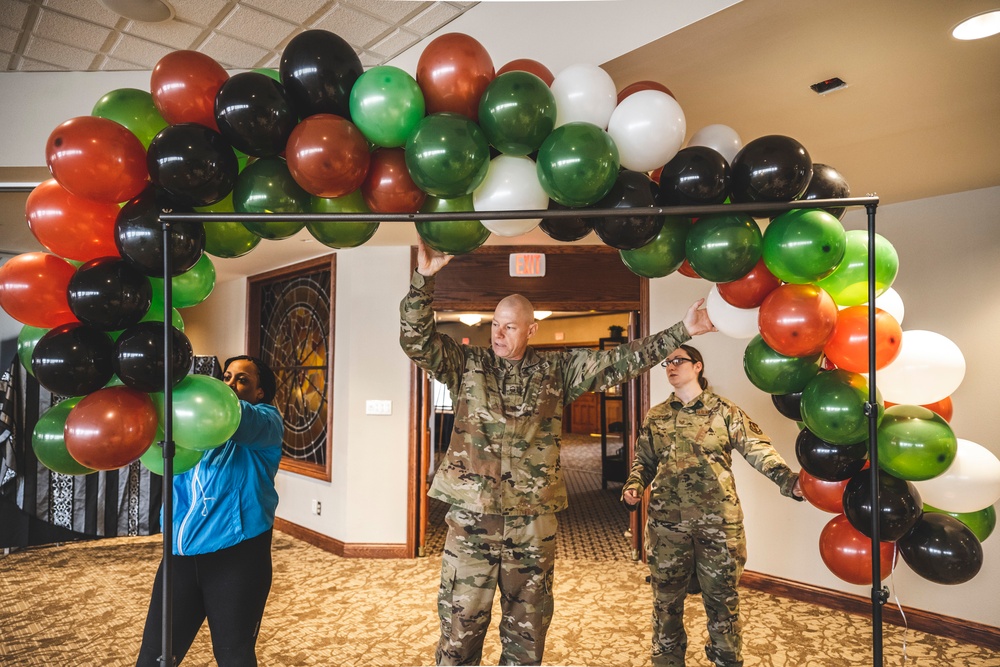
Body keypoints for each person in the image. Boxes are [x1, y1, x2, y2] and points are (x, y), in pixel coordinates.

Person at [399, 239, 717, 666]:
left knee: (526, 633)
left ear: (532, 329)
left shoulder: (557, 371)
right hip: (472, 519)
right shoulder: (467, 365)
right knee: (460, 630)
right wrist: (424, 281)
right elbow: (416, 340)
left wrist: (682, 332)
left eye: (510, 326)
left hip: (532, 522)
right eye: (495, 324)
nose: (498, 333)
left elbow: (621, 360)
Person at [622, 345, 804, 667]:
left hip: (717, 525)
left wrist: (788, 480)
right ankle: (667, 660)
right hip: (667, 527)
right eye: (667, 362)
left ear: (698, 367)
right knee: (666, 604)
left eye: (678, 361)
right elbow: (644, 461)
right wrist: (634, 485)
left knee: (722, 603)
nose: (671, 367)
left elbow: (757, 449)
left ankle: (727, 660)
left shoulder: (724, 411)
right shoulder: (657, 415)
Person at [136, 355, 284, 666]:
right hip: (179, 556)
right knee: (155, 656)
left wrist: (196, 396)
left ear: (260, 393)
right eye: (227, 376)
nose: (230, 383)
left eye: (242, 379)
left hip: (237, 557)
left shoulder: (267, 422)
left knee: (233, 656)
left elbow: (236, 417)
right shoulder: (193, 426)